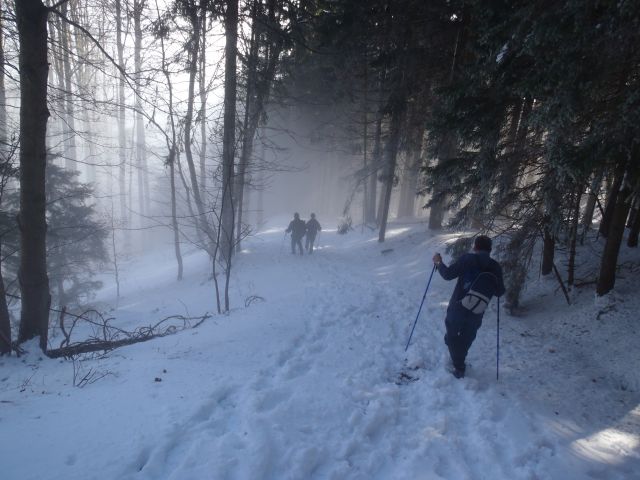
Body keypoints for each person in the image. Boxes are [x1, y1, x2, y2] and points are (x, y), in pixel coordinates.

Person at [433, 235, 505, 379]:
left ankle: (459, 366)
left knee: (452, 335)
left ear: (475, 247)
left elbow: (448, 275)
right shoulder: (495, 266)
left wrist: (439, 263)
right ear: (490, 249)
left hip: (459, 306)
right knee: (467, 337)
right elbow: (500, 292)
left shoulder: (468, 259)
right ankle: (459, 360)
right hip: (478, 310)